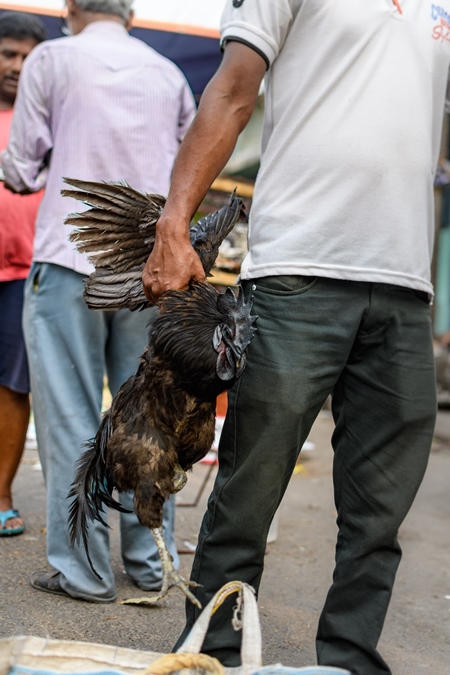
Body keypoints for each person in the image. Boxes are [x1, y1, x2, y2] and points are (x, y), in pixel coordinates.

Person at [141, 1, 448, 673]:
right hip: (296, 275)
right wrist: (174, 222)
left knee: (379, 516)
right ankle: (211, 656)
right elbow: (231, 90)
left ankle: (348, 661)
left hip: (404, 289)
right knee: (248, 494)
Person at [1, 0, 196, 603]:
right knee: (150, 418)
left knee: (70, 419)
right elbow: (190, 166)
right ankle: (151, 563)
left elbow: (24, 168)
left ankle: (83, 572)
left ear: (70, 10)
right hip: (148, 274)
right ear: (130, 14)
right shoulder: (168, 75)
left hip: (68, 264)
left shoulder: (53, 60)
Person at [0, 11, 47, 537]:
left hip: (26, 269)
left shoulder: (46, 116)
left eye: (30, 56)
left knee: (13, 387)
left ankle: (1, 497)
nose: (18, 66)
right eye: (9, 54)